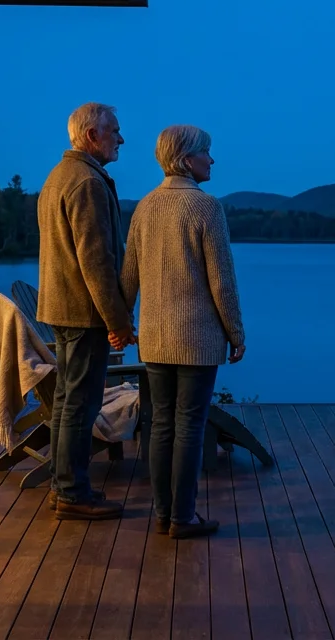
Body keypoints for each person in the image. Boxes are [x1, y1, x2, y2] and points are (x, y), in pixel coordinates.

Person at [121, 124, 245, 539]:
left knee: (160, 425)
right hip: (197, 339)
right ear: (187, 158)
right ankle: (183, 517)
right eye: (207, 152)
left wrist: (121, 322)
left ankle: (162, 513)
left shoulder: (144, 207)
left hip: (155, 338)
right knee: (190, 425)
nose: (212, 160)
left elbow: (128, 276)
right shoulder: (206, 208)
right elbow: (222, 282)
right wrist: (237, 333)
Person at [36, 102, 135, 520]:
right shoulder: (87, 184)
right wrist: (118, 323)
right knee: (80, 404)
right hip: (82, 313)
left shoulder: (59, 176)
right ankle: (73, 493)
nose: (121, 138)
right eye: (114, 130)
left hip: (62, 308)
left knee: (67, 402)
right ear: (92, 135)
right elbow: (96, 262)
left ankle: (64, 488)